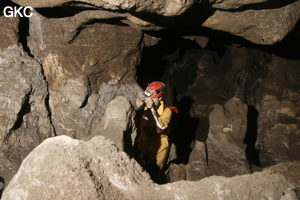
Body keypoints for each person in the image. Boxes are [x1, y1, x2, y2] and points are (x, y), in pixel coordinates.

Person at [135, 81, 173, 182]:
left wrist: (151, 109)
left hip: (158, 149)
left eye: (153, 98)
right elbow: (135, 123)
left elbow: (159, 128)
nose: (149, 100)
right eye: (148, 97)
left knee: (152, 176)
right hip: (143, 145)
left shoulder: (167, 110)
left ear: (160, 98)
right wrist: (138, 108)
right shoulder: (144, 106)